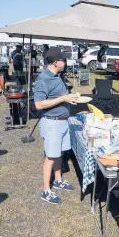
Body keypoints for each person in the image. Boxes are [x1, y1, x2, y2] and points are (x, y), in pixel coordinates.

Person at [33, 47, 80, 204]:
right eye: (63, 60)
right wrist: (62, 100)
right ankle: (46, 190)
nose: (65, 62)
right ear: (55, 62)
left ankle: (58, 180)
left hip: (62, 121)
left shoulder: (57, 76)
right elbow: (39, 104)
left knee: (58, 153)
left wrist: (69, 98)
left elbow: (59, 97)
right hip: (52, 123)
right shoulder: (43, 79)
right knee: (50, 157)